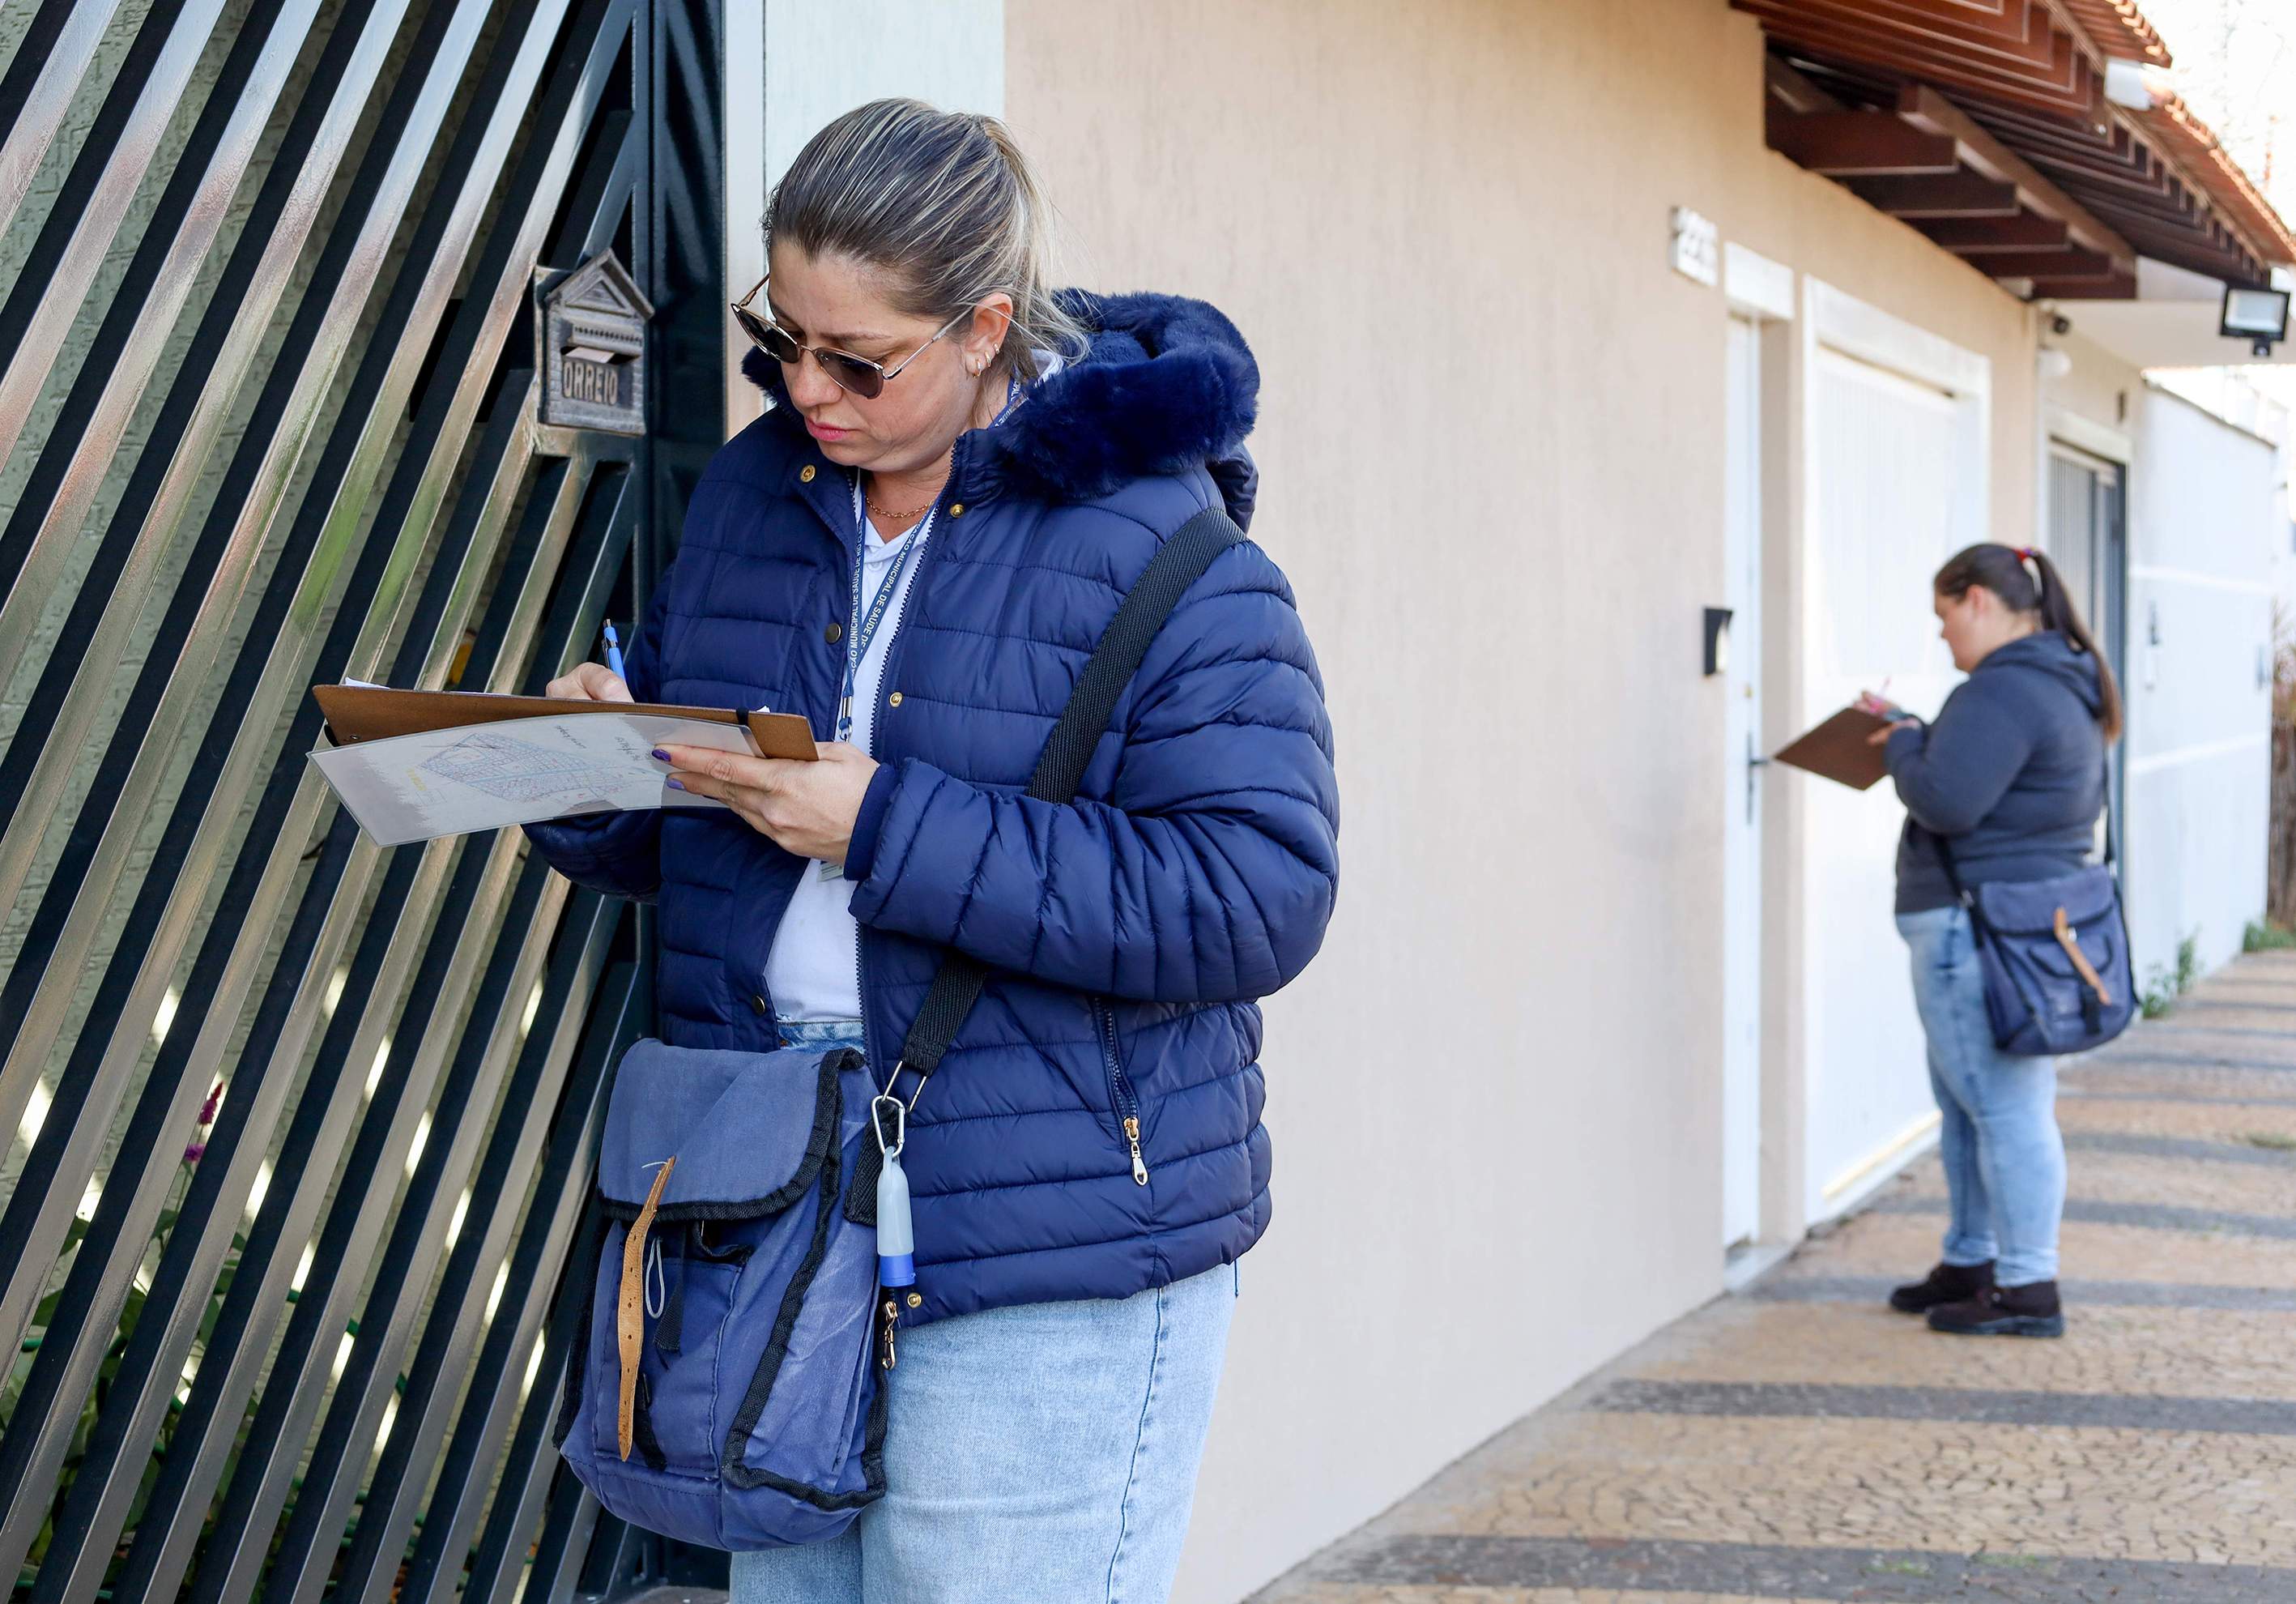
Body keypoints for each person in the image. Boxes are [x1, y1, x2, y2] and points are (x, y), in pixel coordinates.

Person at [520, 99, 1339, 1602]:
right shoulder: (758, 508)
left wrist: (885, 825)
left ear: (984, 327)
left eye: (859, 361)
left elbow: (1253, 899)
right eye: (786, 341)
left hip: (1048, 1243)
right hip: (764, 1186)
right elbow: (716, 862)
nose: (806, 391)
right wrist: (602, 775)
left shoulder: (1176, 558)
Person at [1864, 543, 2120, 1340]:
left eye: (1944, 618)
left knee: (2004, 1109)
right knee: (1970, 1103)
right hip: (2016, 923)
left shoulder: (2004, 691)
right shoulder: (2063, 682)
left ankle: (2026, 1286)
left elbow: (1946, 800)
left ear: (1977, 600)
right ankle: (1973, 1259)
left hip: (1974, 926)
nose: (1942, 639)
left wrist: (1904, 737)